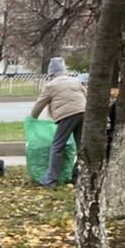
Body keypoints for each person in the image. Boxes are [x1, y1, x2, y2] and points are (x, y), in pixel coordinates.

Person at [29, 57, 86, 186]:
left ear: (51, 73)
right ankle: (79, 175)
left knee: (57, 147)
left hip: (67, 115)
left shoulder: (51, 86)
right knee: (81, 148)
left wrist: (33, 118)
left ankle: (51, 180)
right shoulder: (75, 81)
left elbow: (40, 104)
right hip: (83, 112)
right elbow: (86, 95)